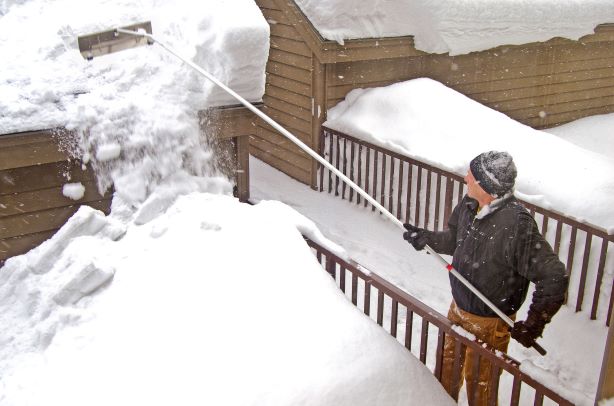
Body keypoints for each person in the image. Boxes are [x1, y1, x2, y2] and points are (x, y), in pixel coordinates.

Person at [402, 151, 568, 405]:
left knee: (481, 389)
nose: (466, 177)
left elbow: (554, 276)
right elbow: (456, 239)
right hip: (458, 309)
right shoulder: (470, 205)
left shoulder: (516, 225)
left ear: (487, 184)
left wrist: (534, 324)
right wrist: (428, 239)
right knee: (445, 375)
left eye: (472, 175)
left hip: (491, 324)